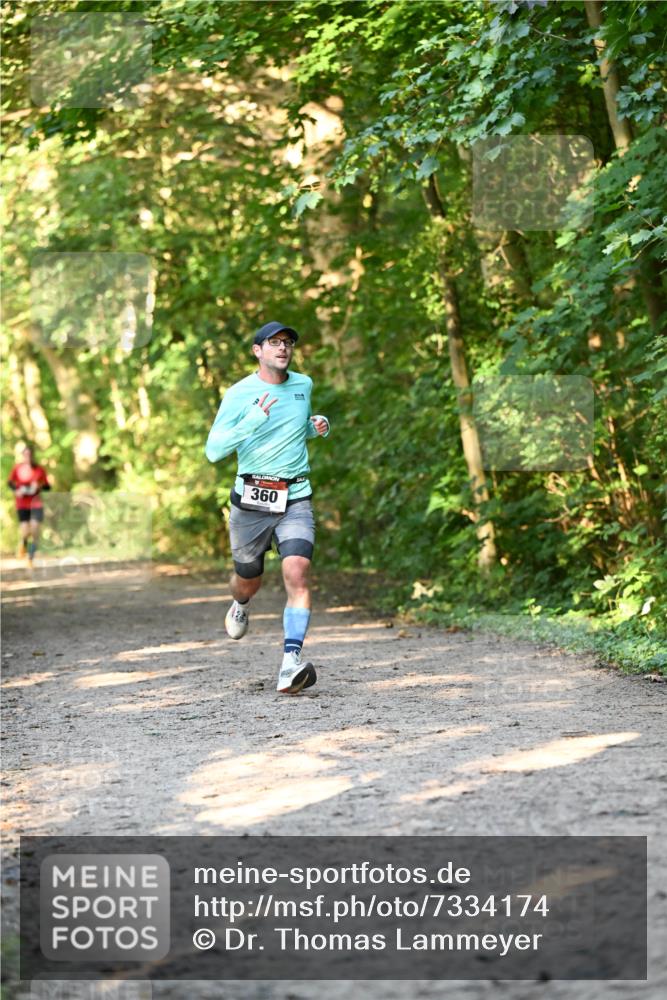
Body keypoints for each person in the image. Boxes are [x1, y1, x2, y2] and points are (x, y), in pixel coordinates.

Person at [205, 321, 330, 694]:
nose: (283, 348)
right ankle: (240, 602)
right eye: (274, 343)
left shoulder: (303, 385)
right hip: (252, 499)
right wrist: (251, 421)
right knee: (249, 577)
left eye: (288, 342)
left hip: (295, 495)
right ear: (257, 351)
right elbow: (214, 450)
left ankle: (290, 663)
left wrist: (313, 427)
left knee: (298, 572)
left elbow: (292, 430)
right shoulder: (239, 394)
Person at [8, 445, 51, 567]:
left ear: (32, 455)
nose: (28, 457)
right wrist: (17, 490)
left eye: (29, 454)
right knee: (25, 530)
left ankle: (31, 558)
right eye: (25, 454)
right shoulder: (17, 468)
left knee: (35, 529)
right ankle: (23, 543)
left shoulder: (39, 470)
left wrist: (38, 486)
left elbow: (47, 486)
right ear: (23, 455)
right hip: (22, 503)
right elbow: (10, 483)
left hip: (36, 503)